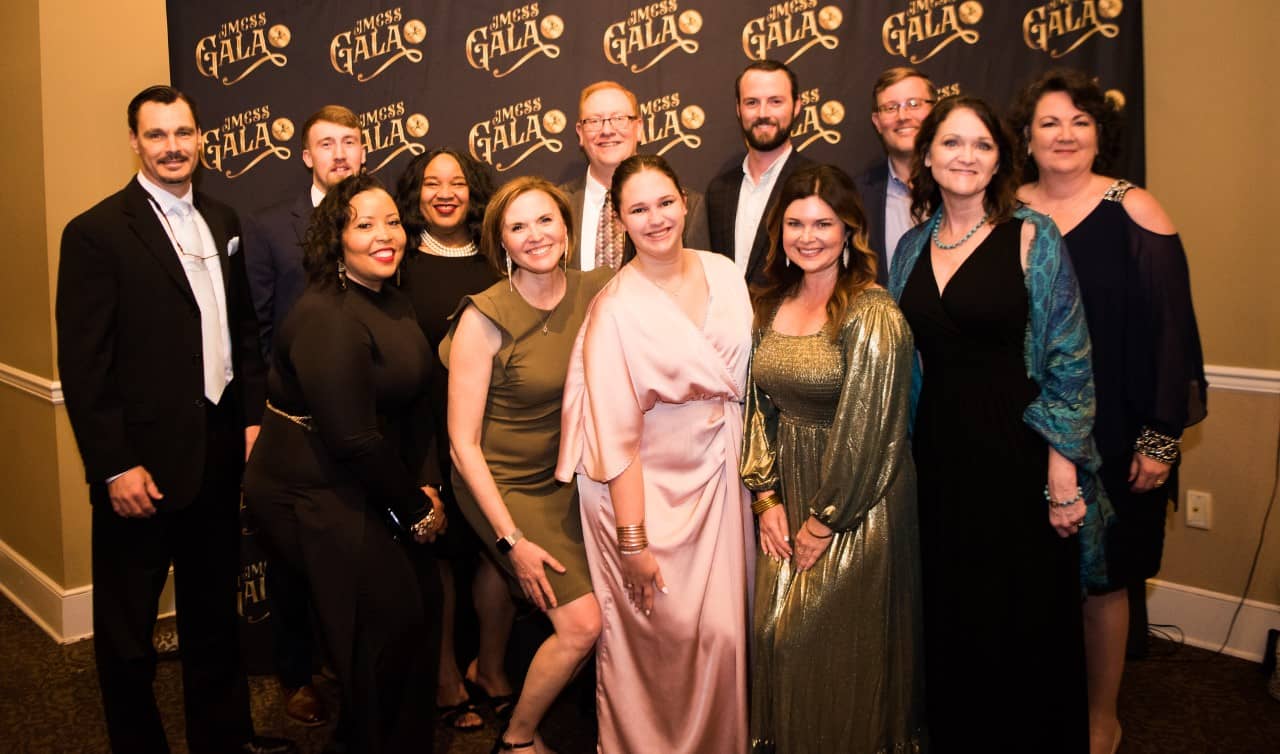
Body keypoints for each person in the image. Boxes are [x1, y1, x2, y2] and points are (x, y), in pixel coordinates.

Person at [55, 84, 292, 754]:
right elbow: (85, 366)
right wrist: (113, 466)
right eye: (156, 135)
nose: (172, 147)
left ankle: (223, 739)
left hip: (216, 449)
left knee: (213, 612)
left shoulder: (223, 217)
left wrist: (250, 419)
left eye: (183, 133)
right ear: (134, 142)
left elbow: (243, 332)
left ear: (201, 139)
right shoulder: (97, 232)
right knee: (129, 629)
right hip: (141, 465)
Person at [889, 95, 1108, 753]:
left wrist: (1062, 471)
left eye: (981, 145)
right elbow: (905, 362)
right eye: (952, 143)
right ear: (927, 157)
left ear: (999, 160)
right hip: (939, 458)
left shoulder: (1032, 236)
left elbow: (1070, 359)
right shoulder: (910, 247)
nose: (966, 156)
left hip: (1019, 456)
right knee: (953, 612)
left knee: (1024, 617)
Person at [1011, 68, 1207, 754]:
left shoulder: (1136, 210)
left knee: (1104, 582)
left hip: (1118, 430)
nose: (1064, 135)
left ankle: (1101, 717)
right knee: (1035, 579)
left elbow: (1172, 333)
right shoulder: (1007, 211)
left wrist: (1160, 440)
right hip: (1027, 428)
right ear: (1026, 139)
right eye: (1049, 123)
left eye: (1080, 122)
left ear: (1100, 135)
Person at [558, 154, 755, 753]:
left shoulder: (725, 272)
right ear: (619, 220)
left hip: (724, 475)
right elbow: (614, 439)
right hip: (648, 493)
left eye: (665, 202)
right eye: (638, 209)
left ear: (684, 203)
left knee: (726, 636)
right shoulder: (614, 308)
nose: (656, 218)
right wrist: (633, 543)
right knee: (661, 642)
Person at [243, 173, 446, 754]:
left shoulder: (392, 298)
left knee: (418, 606)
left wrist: (427, 483)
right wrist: (416, 511)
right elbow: (352, 437)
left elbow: (416, 402)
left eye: (392, 222)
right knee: (382, 619)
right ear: (335, 238)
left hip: (366, 473)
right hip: (307, 486)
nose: (385, 235)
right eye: (364, 225)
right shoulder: (327, 316)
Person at [742, 163, 926, 753]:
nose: (808, 236)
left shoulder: (873, 314)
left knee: (822, 643)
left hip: (858, 501)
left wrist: (825, 520)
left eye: (823, 223)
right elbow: (757, 407)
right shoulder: (769, 305)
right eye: (795, 223)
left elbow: (872, 431)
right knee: (773, 636)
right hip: (787, 492)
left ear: (849, 230)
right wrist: (764, 496)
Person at [441, 177, 609, 753]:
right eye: (518, 227)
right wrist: (511, 540)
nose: (535, 235)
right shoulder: (483, 316)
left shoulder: (599, 288)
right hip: (501, 483)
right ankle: (516, 740)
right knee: (582, 624)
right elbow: (462, 445)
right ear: (501, 243)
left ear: (567, 227)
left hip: (570, 477)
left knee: (607, 610)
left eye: (545, 220)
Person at [243, 103, 365, 728]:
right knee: (293, 560)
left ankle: (352, 666)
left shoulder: (382, 218)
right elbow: (257, 329)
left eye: (350, 141)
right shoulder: (269, 227)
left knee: (356, 552)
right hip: (294, 421)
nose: (340, 153)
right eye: (327, 143)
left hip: (365, 418)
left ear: (364, 150)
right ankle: (297, 675)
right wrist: (257, 419)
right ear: (306, 155)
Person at [394, 147, 513, 731]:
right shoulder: (399, 262)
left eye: (458, 182)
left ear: (474, 192)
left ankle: (490, 669)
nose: (445, 193)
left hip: (497, 430)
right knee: (436, 555)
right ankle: (445, 677)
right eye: (432, 183)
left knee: (500, 548)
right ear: (415, 194)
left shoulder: (499, 257)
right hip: (423, 433)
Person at [560, 80, 709, 270]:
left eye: (619, 118)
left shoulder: (685, 207)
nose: (607, 130)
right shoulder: (558, 206)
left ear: (638, 128)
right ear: (580, 133)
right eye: (594, 121)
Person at [706, 60, 814, 286]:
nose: (763, 113)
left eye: (775, 101)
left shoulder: (817, 184)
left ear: (796, 106)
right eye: (752, 102)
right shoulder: (719, 191)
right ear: (738, 109)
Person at [854, 66, 936, 283]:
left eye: (914, 104)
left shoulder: (964, 183)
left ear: (935, 112)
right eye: (890, 108)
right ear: (877, 122)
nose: (903, 116)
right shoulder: (856, 196)